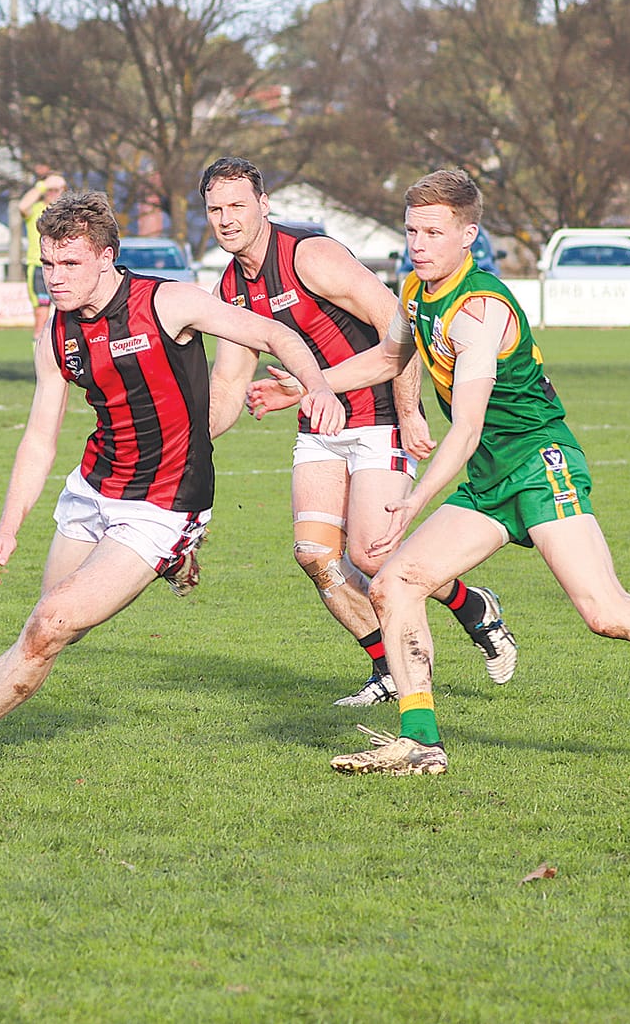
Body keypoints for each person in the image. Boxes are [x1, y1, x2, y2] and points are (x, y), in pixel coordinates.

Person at [251, 169, 630, 777]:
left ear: (469, 235)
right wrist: (308, 386)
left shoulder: (478, 312)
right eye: (412, 230)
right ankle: (420, 743)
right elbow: (389, 357)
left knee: (606, 612)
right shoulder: (415, 291)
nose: (418, 243)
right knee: (396, 583)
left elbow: (463, 431)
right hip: (492, 475)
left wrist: (414, 505)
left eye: (434, 232)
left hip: (541, 466)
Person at [0, 190, 349, 769]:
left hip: (164, 503)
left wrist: (321, 387)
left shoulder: (168, 303)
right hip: (94, 486)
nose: (54, 279)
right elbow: (39, 436)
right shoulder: (54, 333)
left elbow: (276, 336)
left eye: (69, 264)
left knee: (49, 625)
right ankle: (169, 566)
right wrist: (7, 527)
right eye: (47, 265)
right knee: (54, 623)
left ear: (106, 257)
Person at [199, 156, 519, 708]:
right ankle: (387, 669)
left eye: (237, 206)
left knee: (373, 556)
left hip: (376, 415)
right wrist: (183, 444)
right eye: (215, 209)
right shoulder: (230, 287)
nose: (226, 219)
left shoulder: (309, 256)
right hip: (318, 424)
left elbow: (396, 320)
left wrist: (411, 410)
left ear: (263, 205)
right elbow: (229, 383)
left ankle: (471, 605)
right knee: (314, 553)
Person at [18, 170, 68, 335]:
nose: (54, 193)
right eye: (50, 190)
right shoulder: (36, 210)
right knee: (42, 315)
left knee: (69, 315)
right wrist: (43, 185)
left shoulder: (68, 213)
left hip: (64, 267)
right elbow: (22, 206)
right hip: (39, 267)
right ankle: (39, 358)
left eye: (57, 189)